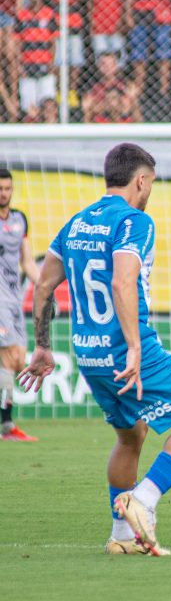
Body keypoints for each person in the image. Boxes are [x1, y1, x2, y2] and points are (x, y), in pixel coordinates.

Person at [20, 143, 171, 556]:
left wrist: (42, 347)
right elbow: (122, 281)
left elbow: (43, 286)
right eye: (151, 184)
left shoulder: (76, 223)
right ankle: (142, 500)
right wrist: (134, 347)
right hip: (130, 352)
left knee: (131, 436)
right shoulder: (136, 221)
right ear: (141, 180)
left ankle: (121, 537)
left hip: (89, 354)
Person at [0, 169, 39, 441]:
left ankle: (6, 423)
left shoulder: (19, 219)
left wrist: (44, 287)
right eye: (0, 189)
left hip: (15, 298)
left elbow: (27, 261)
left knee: (18, 359)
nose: (3, 194)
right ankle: (7, 425)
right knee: (8, 356)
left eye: (7, 188)